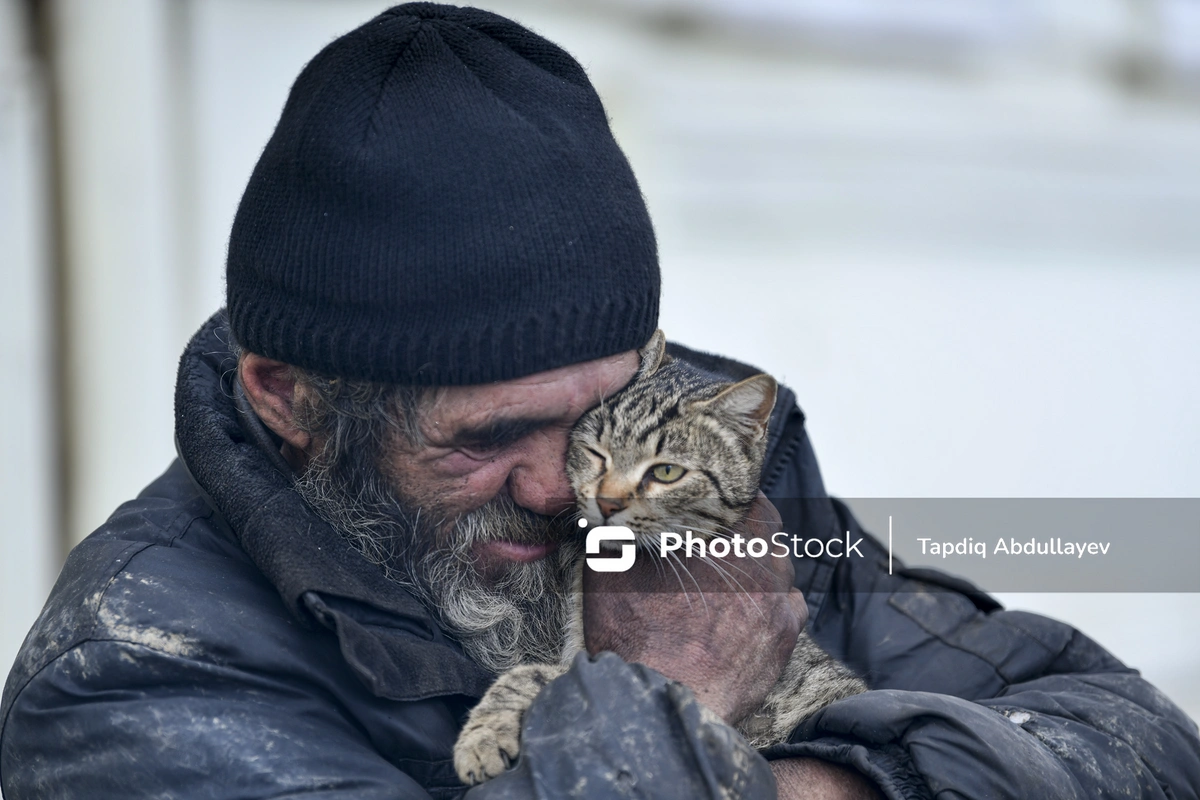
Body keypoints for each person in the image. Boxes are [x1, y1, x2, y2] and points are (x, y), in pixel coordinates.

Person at [2, 5, 1197, 799]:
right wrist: (671, 704)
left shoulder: (697, 494)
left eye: (601, 410)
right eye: (487, 436)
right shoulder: (134, 671)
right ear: (289, 401)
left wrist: (807, 784)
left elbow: (1134, 739)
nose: (574, 485)